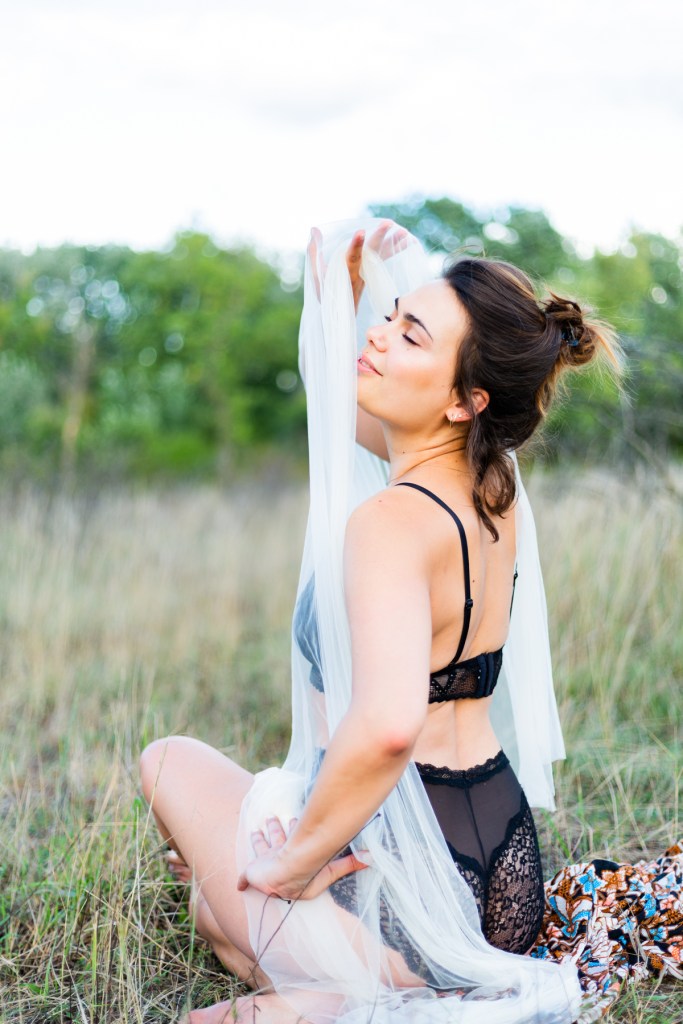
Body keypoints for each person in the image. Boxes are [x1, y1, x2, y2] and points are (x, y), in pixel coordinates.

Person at [140, 221, 620, 1024]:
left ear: (463, 401)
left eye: (410, 335)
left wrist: (297, 862)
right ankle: (338, 982)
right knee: (211, 910)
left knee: (169, 761)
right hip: (504, 879)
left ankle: (341, 993)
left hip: (408, 876)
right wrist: (341, 292)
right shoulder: (491, 485)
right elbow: (343, 406)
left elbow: (390, 726)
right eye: (390, 320)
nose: (378, 337)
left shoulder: (392, 521)